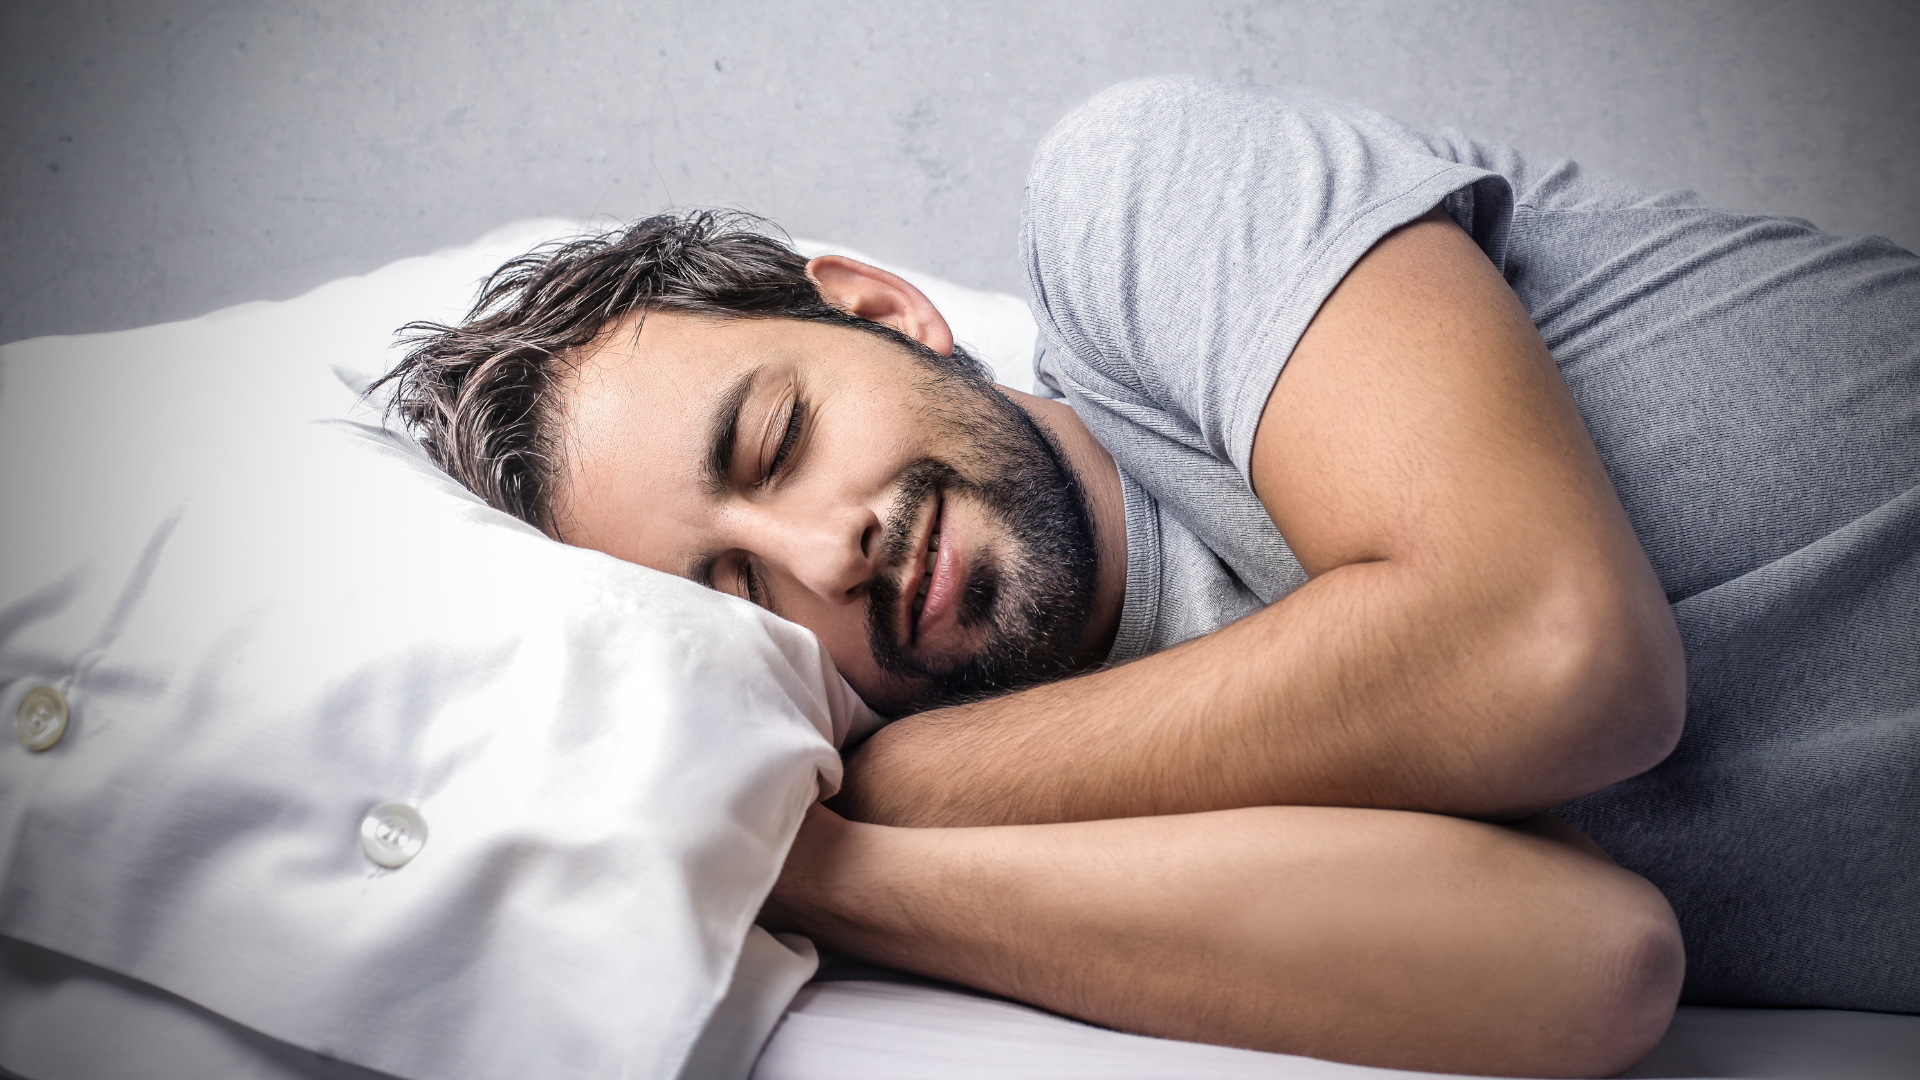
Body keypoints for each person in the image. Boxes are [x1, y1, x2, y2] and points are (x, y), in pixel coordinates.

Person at [383, 76, 1919, 1077]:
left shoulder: (1142, 201)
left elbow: (1557, 653)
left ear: (884, 311)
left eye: (779, 440)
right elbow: (1592, 969)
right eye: (737, 597)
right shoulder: (1086, 805)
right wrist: (823, 869)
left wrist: (903, 787)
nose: (817, 555)